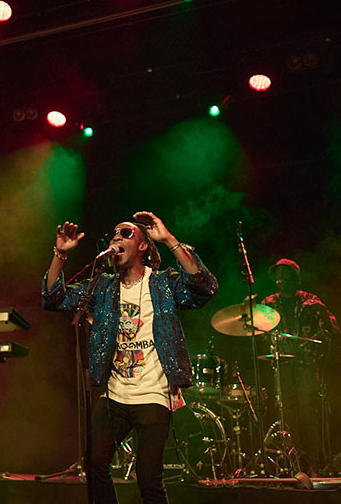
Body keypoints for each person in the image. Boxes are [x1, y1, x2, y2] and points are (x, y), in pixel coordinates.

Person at [41, 213, 217, 504]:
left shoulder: (162, 284)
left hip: (154, 394)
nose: (116, 238)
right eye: (113, 234)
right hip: (115, 394)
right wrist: (60, 254)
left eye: (125, 233)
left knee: (148, 480)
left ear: (143, 246)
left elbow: (203, 286)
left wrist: (168, 239)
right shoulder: (103, 286)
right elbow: (53, 298)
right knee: (95, 464)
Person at [260, 258, 339, 473]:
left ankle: (314, 464)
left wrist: (318, 316)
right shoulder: (269, 303)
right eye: (278, 276)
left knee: (308, 413)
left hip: (306, 364)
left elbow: (331, 328)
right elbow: (257, 328)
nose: (281, 280)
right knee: (286, 414)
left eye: (286, 275)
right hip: (283, 365)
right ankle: (293, 465)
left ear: (295, 278)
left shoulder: (310, 301)